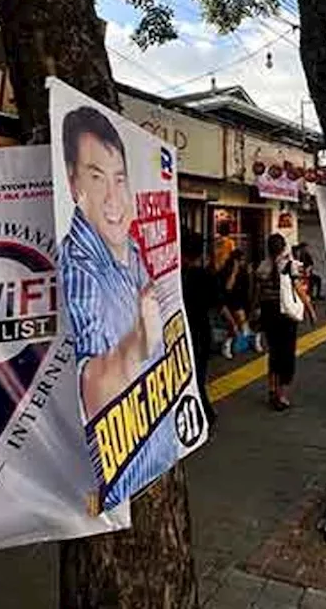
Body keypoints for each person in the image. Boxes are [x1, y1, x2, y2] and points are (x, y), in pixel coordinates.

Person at [58, 106, 176, 505]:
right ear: (74, 184)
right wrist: (137, 343)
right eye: (96, 177)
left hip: (154, 463)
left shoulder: (130, 253)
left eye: (119, 180)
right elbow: (91, 386)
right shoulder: (79, 270)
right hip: (123, 491)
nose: (113, 197)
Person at [255, 234, 314, 410]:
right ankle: (281, 395)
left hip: (268, 314)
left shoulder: (261, 267)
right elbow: (299, 288)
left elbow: (256, 292)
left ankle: (272, 389)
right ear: (283, 248)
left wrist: (255, 312)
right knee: (286, 355)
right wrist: (310, 310)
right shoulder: (290, 265)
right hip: (285, 316)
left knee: (274, 352)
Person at [181, 231, 218, 425]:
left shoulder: (180, 278)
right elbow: (217, 303)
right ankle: (204, 413)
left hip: (185, 333)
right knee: (199, 375)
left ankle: (204, 414)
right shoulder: (206, 275)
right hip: (203, 332)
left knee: (190, 377)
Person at [217, 248, 259, 359]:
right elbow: (228, 288)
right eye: (240, 260)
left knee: (249, 320)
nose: (243, 263)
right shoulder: (226, 271)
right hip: (228, 302)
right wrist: (234, 272)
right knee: (238, 322)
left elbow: (249, 289)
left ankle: (249, 336)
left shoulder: (245, 272)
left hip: (241, 301)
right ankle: (229, 343)